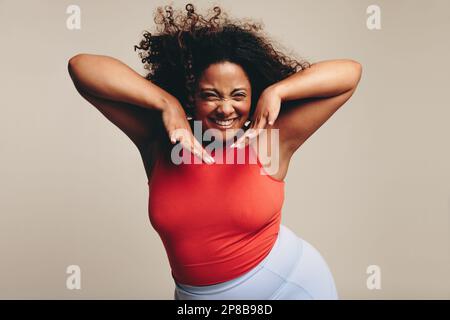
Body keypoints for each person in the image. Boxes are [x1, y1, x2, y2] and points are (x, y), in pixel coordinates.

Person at [67, 3, 362, 300]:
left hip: (288, 287)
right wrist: (166, 104)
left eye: (238, 96)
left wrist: (278, 91)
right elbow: (81, 67)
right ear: (191, 96)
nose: (225, 108)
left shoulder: (270, 139)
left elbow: (350, 73)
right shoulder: (162, 141)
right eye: (211, 95)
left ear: (254, 97)